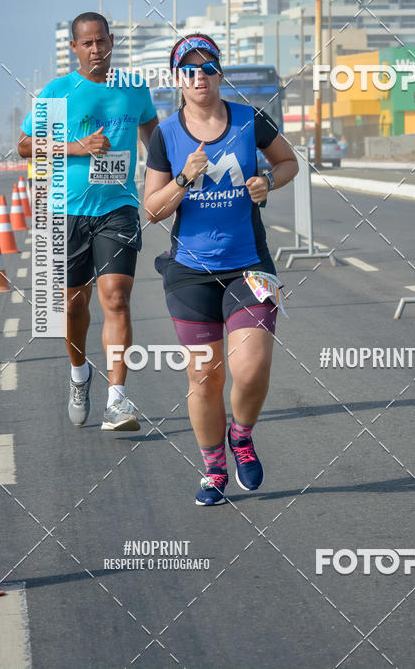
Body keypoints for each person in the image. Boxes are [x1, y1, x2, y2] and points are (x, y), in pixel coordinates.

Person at [144, 33, 298, 506]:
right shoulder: (165, 135)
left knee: (251, 369)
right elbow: (152, 210)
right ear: (177, 79)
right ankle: (214, 469)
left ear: (219, 72)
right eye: (189, 70)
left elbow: (289, 161)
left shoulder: (250, 119)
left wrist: (267, 180)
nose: (200, 77)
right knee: (205, 378)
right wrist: (185, 179)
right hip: (190, 272)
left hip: (249, 264)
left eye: (208, 67)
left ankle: (242, 435)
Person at [18, 12, 158, 431]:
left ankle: (118, 401)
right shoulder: (59, 91)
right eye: (88, 44)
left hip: (118, 208)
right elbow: (25, 147)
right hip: (65, 211)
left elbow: (154, 137)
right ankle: (80, 374)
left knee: (115, 297)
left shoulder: (134, 90)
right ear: (75, 49)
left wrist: (173, 180)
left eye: (102, 41)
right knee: (73, 305)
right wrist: (76, 147)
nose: (97, 50)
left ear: (112, 41)